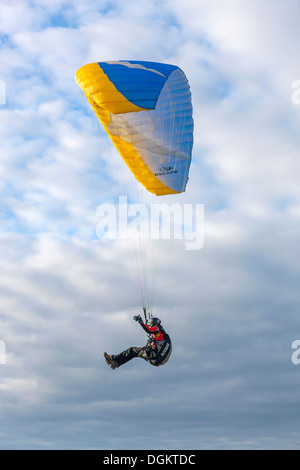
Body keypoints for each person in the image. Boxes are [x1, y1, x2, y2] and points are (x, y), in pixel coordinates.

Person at [104, 314, 172, 369]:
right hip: (154, 354)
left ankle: (114, 358)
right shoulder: (160, 332)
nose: (149, 326)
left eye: (150, 325)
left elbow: (148, 330)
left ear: (153, 324)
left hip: (152, 354)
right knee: (132, 353)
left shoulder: (158, 329)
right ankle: (116, 363)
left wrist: (140, 321)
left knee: (131, 351)